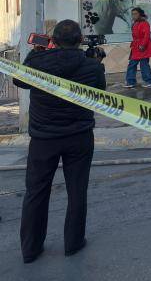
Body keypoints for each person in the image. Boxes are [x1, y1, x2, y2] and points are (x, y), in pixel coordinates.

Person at [13, 19, 106, 263]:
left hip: (44, 139)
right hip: (79, 137)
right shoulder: (91, 66)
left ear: (53, 40)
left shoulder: (37, 62)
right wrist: (97, 64)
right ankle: (73, 243)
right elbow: (101, 96)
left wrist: (36, 52)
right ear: (80, 40)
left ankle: (31, 249)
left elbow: (18, 80)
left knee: (36, 192)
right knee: (77, 191)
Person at [126, 7, 151, 88]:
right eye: (132, 14)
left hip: (143, 47)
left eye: (135, 14)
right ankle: (131, 82)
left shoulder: (144, 23)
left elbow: (146, 35)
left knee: (144, 65)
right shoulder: (135, 23)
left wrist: (143, 45)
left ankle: (149, 81)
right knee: (132, 64)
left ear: (140, 14)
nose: (133, 16)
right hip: (136, 47)